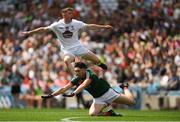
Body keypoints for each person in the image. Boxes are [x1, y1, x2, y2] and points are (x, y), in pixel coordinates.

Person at [22, 7, 112, 76]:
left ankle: (100, 64)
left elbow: (90, 26)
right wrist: (30, 32)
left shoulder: (76, 23)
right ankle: (76, 77)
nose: (66, 15)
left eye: (68, 13)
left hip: (78, 47)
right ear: (62, 15)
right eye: (64, 14)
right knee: (66, 60)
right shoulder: (57, 25)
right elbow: (43, 29)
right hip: (67, 50)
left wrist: (103, 27)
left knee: (96, 60)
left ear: (71, 15)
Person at [41, 62, 135, 116]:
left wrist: (74, 93)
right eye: (75, 71)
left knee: (131, 103)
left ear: (84, 69)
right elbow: (64, 88)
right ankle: (109, 112)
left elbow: (84, 85)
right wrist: (51, 95)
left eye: (78, 71)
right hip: (98, 98)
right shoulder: (77, 78)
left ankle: (125, 87)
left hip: (108, 93)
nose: (76, 73)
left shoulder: (90, 74)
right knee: (92, 114)